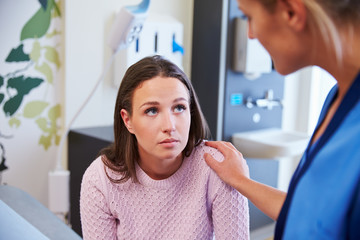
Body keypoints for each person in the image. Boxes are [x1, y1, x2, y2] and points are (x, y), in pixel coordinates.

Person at [204, 0, 360, 239]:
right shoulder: (336, 99)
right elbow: (309, 214)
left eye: (249, 18)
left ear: (291, 12)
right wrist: (240, 180)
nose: (251, 34)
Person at [80, 55, 249, 239]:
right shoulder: (100, 179)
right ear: (127, 120)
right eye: (151, 110)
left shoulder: (219, 168)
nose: (169, 125)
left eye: (179, 107)